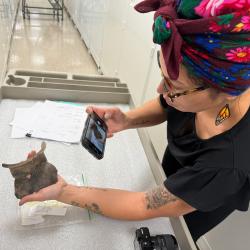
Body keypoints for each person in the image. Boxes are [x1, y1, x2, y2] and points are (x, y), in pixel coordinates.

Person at [20, 0, 250, 243]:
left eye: (174, 87)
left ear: (224, 92)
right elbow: (166, 104)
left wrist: (64, 191)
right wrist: (127, 120)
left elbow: (144, 205)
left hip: (198, 202)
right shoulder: (207, 91)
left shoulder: (226, 165)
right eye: (163, 75)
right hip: (179, 170)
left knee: (168, 231)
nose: (160, 89)